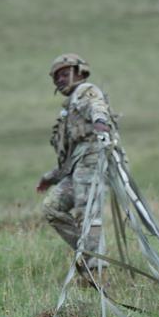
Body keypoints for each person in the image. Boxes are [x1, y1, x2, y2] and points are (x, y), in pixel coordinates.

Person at [37, 53, 119, 274]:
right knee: (51, 208)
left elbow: (97, 106)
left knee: (87, 214)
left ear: (79, 72)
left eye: (64, 74)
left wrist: (101, 123)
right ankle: (88, 255)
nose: (60, 80)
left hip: (92, 162)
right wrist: (51, 176)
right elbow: (70, 154)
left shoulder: (86, 92)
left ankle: (95, 269)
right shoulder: (69, 107)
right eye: (56, 78)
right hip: (76, 168)